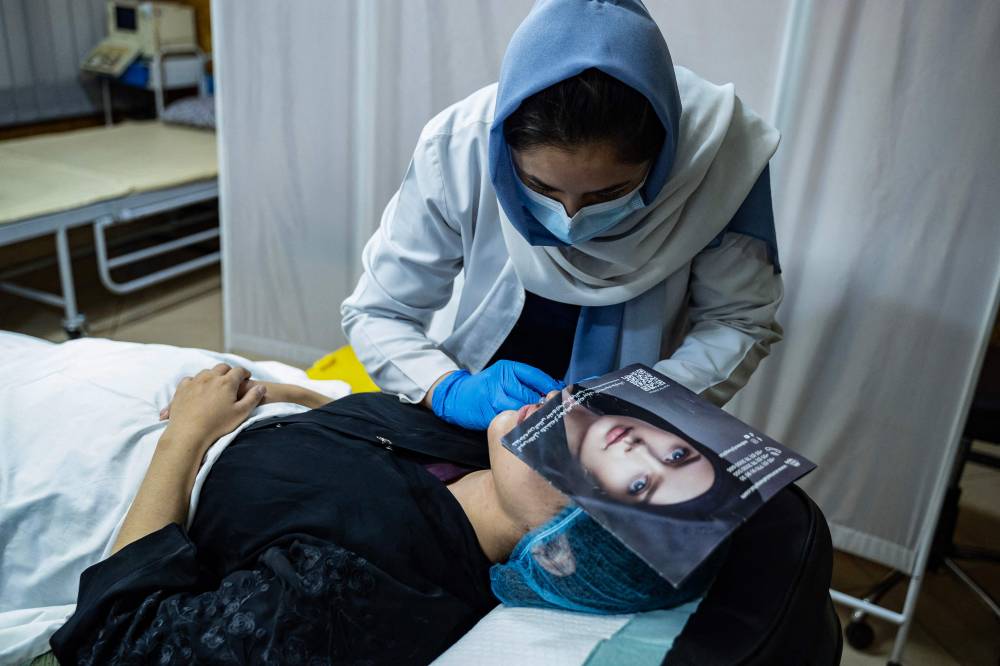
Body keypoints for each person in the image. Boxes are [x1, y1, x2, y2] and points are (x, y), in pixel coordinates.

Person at [49, 366, 714, 665]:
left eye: (627, 473)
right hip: (221, 400)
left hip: (98, 457)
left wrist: (187, 437)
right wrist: (301, 401)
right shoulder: (473, 447)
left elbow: (119, 637)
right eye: (666, 444)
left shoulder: (363, 590)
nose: (605, 423)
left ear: (558, 551)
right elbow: (354, 459)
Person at [342, 0, 783, 433]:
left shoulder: (719, 159)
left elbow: (737, 321)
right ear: (503, 152)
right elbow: (378, 312)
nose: (571, 218)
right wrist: (447, 388)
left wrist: (648, 401)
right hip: (475, 395)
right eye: (541, 188)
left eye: (609, 192)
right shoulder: (458, 147)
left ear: (664, 159)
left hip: (627, 427)